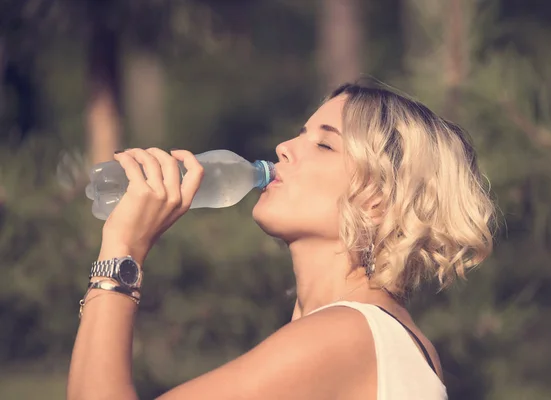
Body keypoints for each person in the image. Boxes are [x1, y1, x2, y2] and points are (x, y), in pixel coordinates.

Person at [67, 80, 495, 400]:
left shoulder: (352, 334)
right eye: (300, 133)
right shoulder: (374, 336)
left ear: (379, 200)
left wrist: (123, 249)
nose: (284, 147)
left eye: (324, 145)